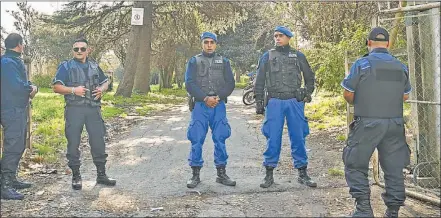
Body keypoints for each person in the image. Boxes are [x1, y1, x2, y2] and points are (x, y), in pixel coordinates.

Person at [341, 27, 412, 218]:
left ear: (368, 43)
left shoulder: (361, 65)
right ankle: (393, 212)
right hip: (395, 125)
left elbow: (348, 93)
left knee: (355, 163)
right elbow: (405, 96)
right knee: (394, 167)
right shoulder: (401, 66)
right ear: (388, 44)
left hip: (367, 124)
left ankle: (363, 210)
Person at [254, 26, 316, 188]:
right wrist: (259, 101)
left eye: (281, 35)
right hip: (274, 102)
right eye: (275, 36)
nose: (277, 38)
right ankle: (269, 174)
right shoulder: (267, 56)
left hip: (295, 102)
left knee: (298, 137)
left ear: (289, 37)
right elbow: (259, 80)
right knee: (273, 138)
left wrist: (307, 93)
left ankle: (302, 173)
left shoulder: (298, 56)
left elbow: (310, 77)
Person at [52, 38, 116, 190]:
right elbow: (56, 87)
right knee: (73, 143)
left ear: (88, 50)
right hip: (74, 110)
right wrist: (73, 90)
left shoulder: (94, 65)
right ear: (73, 51)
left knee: (98, 142)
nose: (79, 51)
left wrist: (102, 89)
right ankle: (76, 176)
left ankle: (101, 175)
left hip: (94, 109)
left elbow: (106, 81)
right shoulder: (66, 66)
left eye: (82, 49)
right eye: (76, 49)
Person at [185, 32, 236, 188]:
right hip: (200, 105)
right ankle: (195, 175)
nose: (209, 45)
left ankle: (221, 174)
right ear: (202, 43)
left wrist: (218, 97)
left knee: (220, 138)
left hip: (218, 105)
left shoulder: (225, 62)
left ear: (216, 44)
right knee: (196, 139)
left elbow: (230, 83)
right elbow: (189, 83)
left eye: (212, 42)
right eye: (206, 42)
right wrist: (205, 98)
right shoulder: (194, 61)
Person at [1, 33, 38, 200]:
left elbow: (17, 82)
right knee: (13, 146)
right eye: (22, 44)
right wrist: (31, 89)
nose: (23, 47)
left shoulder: (12, 60)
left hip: (17, 109)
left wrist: (29, 87)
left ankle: (12, 179)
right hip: (11, 110)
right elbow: (16, 85)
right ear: (19, 44)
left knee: (19, 144)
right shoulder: (7, 62)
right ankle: (5, 185)